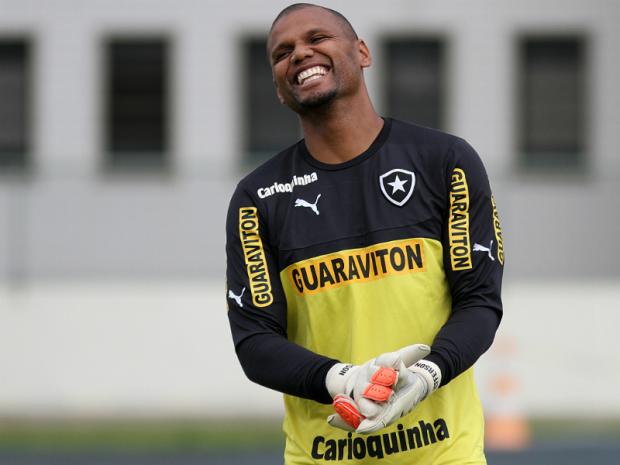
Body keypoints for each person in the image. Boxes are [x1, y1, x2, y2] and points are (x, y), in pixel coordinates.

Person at [225, 3, 504, 464]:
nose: (299, 54)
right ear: (278, 88)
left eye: (317, 38)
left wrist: (426, 376)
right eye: (282, 53)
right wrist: (343, 380)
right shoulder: (258, 198)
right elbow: (255, 341)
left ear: (362, 52)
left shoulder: (445, 162)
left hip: (444, 455)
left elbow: (479, 302)